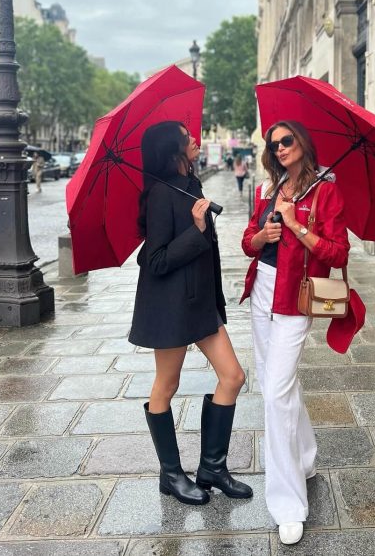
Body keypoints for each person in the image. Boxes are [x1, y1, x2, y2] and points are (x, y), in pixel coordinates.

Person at [130, 121, 252, 506]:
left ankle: (212, 467)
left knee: (232, 376)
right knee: (166, 385)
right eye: (187, 137)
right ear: (173, 150)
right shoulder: (159, 195)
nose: (194, 139)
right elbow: (156, 260)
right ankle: (170, 474)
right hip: (169, 307)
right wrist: (197, 228)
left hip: (200, 303)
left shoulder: (190, 185)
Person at [240, 120, 350, 545]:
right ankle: (305, 457)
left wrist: (297, 225)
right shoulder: (270, 188)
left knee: (274, 393)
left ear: (303, 142)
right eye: (275, 144)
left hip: (295, 298)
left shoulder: (325, 190)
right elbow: (248, 241)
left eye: (287, 141)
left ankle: (288, 503)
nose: (281, 148)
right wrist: (261, 234)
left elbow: (337, 251)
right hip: (262, 292)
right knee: (278, 386)